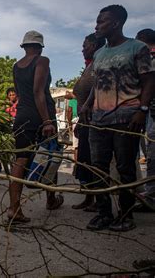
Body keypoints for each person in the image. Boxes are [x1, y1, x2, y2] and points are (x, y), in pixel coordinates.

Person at [81, 5, 154, 231]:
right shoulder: (99, 54)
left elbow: (149, 81)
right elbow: (97, 83)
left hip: (126, 117)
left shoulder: (137, 47)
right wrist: (87, 104)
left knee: (125, 168)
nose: (97, 25)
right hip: (99, 119)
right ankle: (104, 213)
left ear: (116, 23)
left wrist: (142, 110)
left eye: (101, 21)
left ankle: (126, 214)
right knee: (98, 167)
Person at [8, 30, 64, 223]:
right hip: (40, 115)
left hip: (22, 115)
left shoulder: (16, 66)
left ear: (24, 46)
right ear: (39, 47)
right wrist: (47, 121)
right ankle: (50, 198)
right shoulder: (42, 61)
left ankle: (14, 208)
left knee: (20, 159)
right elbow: (38, 91)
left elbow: (20, 93)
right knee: (50, 154)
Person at [71, 33, 105, 211]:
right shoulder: (88, 67)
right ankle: (89, 197)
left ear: (95, 45)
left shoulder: (98, 66)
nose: (83, 49)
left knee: (94, 161)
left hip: (94, 121)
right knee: (84, 160)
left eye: (86, 45)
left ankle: (99, 200)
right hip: (85, 121)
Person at [135, 28, 155, 209]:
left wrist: (142, 108)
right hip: (149, 114)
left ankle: (151, 197)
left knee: (152, 155)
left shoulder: (150, 59)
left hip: (151, 114)